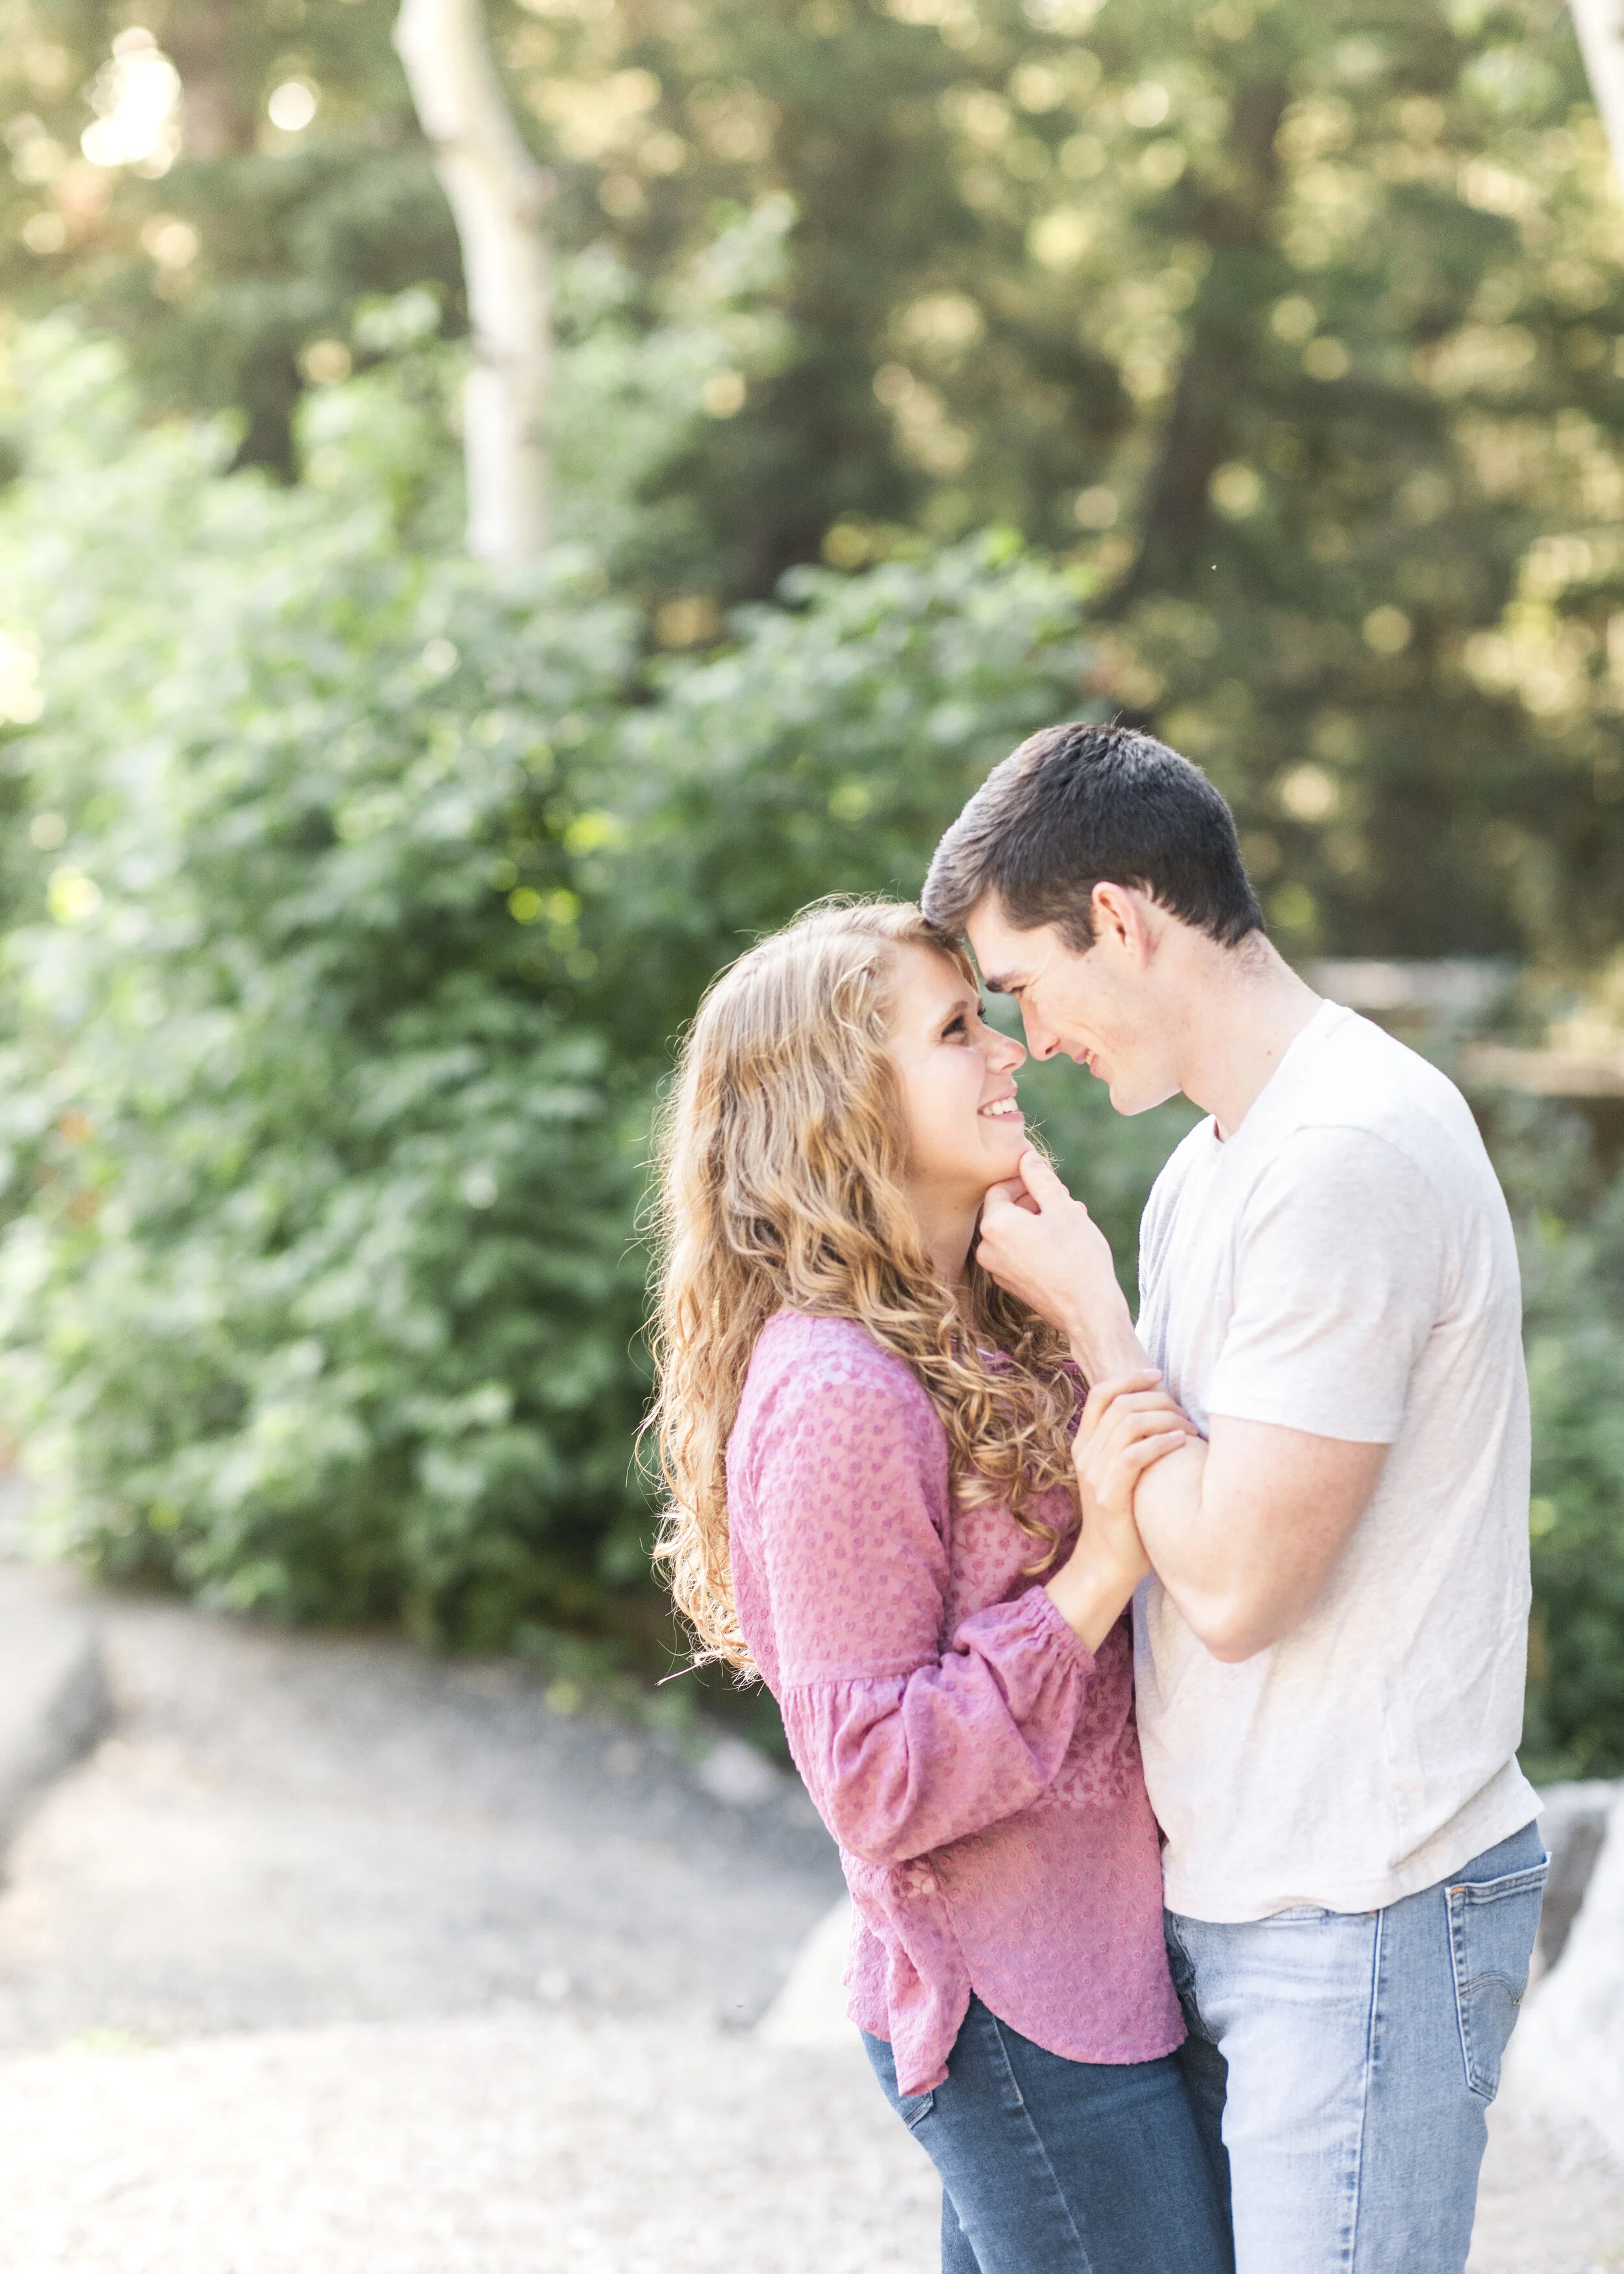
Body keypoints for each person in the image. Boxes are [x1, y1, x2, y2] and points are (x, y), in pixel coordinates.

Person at [920, 720, 1548, 2274]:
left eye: (1027, 984)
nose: (1032, 1036)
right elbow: (1154, 1502)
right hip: (1238, 1901)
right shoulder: (1212, 1168)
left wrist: (1086, 1311)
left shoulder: (1346, 1153)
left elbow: (1231, 1581)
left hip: (1361, 1908)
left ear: (1121, 920)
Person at [646, 899, 1234, 2274]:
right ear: (838, 1100)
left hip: (1105, 1972)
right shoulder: (837, 1392)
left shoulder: (996, 1324)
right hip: (1012, 2009)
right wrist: (1094, 1572)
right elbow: (871, 1777)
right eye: (955, 1029)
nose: (1007, 1054)